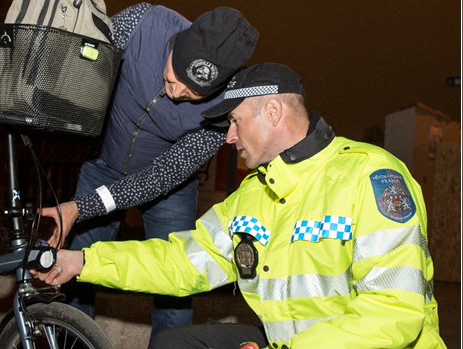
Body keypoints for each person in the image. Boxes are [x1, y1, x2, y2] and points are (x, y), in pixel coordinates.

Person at [35, 63, 446, 348]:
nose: (228, 138)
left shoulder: (370, 176)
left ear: (272, 111)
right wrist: (83, 261)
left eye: (234, 121)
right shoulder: (254, 194)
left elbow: (393, 312)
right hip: (287, 341)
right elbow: (183, 262)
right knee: (173, 342)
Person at [40, 3, 258, 339]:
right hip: (105, 161)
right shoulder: (142, 24)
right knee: (76, 268)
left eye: (195, 93)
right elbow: (87, 64)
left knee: (175, 284)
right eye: (175, 78)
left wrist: (79, 207)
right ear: (175, 44)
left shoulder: (222, 110)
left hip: (169, 185)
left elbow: (157, 178)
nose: (177, 93)